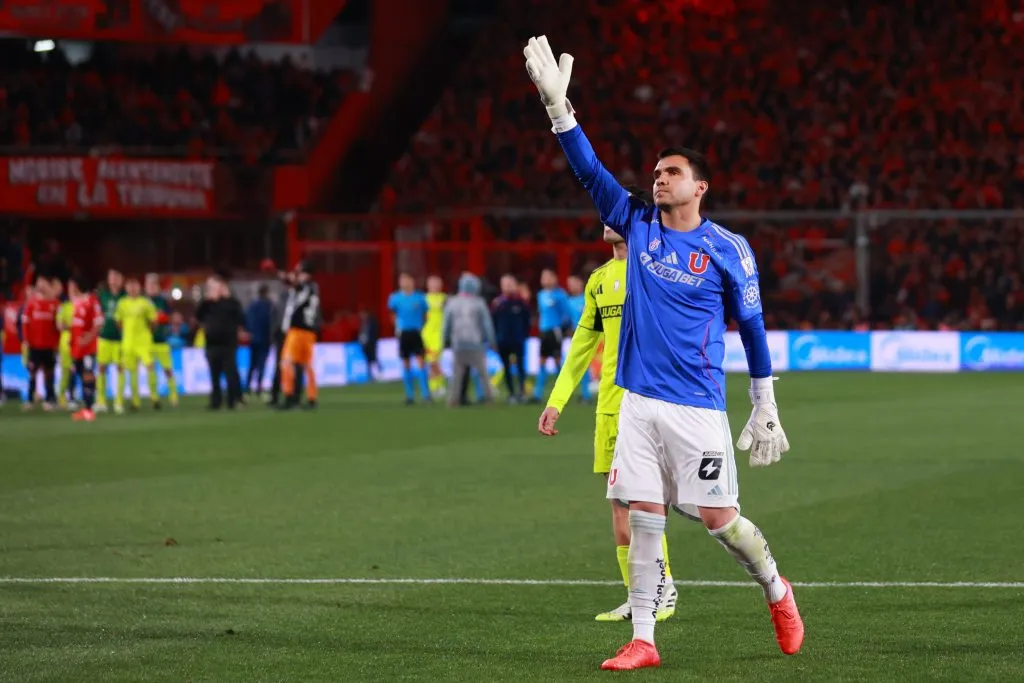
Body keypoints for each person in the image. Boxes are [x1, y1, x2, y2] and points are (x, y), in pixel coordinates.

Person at [524, 36, 802, 670]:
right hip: (637, 404)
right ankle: (644, 639)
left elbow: (754, 329)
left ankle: (777, 591)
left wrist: (765, 404)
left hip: (698, 407)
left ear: (700, 186)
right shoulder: (636, 223)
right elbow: (589, 172)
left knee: (719, 521)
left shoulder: (729, 249)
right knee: (644, 518)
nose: (658, 177)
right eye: (655, 171)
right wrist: (560, 114)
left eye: (670, 171)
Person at [538, 189, 678, 623]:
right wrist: (556, 401)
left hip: (651, 404)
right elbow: (582, 347)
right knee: (620, 507)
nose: (607, 216)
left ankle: (662, 590)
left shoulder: (656, 270)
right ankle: (644, 596)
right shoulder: (598, 281)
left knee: (647, 504)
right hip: (608, 408)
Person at [442, 273, 495, 407]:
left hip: (458, 343)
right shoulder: (479, 303)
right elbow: (487, 324)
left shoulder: (452, 302)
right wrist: (491, 340)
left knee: (456, 375)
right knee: (483, 373)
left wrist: (445, 340)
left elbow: (446, 324)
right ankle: (489, 398)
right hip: (475, 343)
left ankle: (453, 400)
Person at [196, 275, 245, 410]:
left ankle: (233, 400)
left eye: (214, 286)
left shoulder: (231, 303)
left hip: (228, 343)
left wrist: (226, 298)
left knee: (230, 372)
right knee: (214, 374)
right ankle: (215, 401)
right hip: (212, 343)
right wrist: (206, 301)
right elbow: (198, 316)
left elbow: (240, 317)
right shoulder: (207, 304)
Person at [278, 262, 320, 410]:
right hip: (309, 332)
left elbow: (295, 285)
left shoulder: (306, 287)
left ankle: (289, 396)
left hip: (297, 331)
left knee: (286, 363)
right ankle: (311, 398)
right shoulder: (314, 288)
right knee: (307, 366)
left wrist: (280, 274)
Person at [115, 277, 158, 411]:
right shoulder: (122, 303)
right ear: (126, 288)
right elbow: (119, 321)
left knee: (150, 366)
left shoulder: (146, 303)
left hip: (143, 342)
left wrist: (145, 333)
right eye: (130, 286)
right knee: (131, 371)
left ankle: (154, 397)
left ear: (139, 288)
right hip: (128, 342)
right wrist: (127, 333)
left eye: (135, 286)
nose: (132, 289)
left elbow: (154, 321)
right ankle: (135, 401)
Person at [387, 272, 431, 404]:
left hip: (416, 332)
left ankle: (426, 395)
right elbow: (392, 314)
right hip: (404, 333)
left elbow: (426, 315)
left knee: (421, 361)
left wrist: (420, 326)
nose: (404, 283)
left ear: (412, 281)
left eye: (406, 280)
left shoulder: (420, 297)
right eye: (401, 280)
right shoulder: (395, 298)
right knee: (406, 362)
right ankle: (409, 395)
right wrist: (397, 327)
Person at [530, 268, 570, 403]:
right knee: (541, 360)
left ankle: (563, 393)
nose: (545, 280)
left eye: (548, 277)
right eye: (543, 277)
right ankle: (537, 394)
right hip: (544, 332)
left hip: (555, 331)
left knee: (558, 361)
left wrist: (565, 328)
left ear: (554, 279)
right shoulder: (540, 294)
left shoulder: (560, 295)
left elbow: (566, 313)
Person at [67, 277, 104, 422]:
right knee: (80, 374)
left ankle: (89, 408)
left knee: (88, 374)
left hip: (88, 348)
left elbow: (99, 322)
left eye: (70, 286)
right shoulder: (77, 303)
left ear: (77, 286)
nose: (69, 288)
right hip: (77, 348)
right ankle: (85, 407)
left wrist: (88, 338)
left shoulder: (92, 301)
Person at [21, 277, 60, 410]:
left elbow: (57, 326)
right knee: (32, 372)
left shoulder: (55, 304)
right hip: (34, 345)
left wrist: (57, 343)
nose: (41, 286)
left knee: (49, 373)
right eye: (39, 284)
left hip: (49, 346)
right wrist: (26, 340)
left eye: (44, 283)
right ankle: (30, 400)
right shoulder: (31, 303)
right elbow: (25, 324)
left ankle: (50, 399)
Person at [491, 274, 530, 403]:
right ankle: (511, 393)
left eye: (510, 283)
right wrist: (495, 339)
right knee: (506, 367)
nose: (507, 286)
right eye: (505, 284)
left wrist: (524, 335)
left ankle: (522, 392)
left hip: (518, 339)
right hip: (503, 341)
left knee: (520, 366)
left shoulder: (521, 302)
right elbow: (493, 322)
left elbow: (527, 320)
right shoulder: (497, 303)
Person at [146, 274, 179, 408]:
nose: (152, 288)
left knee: (167, 369)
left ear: (158, 287)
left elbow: (168, 318)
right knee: (151, 369)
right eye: (150, 285)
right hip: (148, 342)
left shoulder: (163, 302)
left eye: (154, 285)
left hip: (162, 341)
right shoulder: (143, 302)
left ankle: (173, 394)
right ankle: (154, 395)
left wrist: (159, 319)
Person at [96, 269, 126, 413]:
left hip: (120, 339)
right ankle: (101, 401)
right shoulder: (103, 296)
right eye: (111, 277)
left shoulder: (125, 297)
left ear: (121, 280)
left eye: (117, 277)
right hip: (104, 337)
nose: (114, 279)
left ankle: (118, 401)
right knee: (101, 367)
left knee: (120, 369)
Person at [564, 273, 592, 402]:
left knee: (584, 365)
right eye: (569, 284)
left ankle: (586, 394)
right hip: (574, 337)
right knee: (572, 365)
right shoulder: (568, 301)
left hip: (589, 337)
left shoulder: (587, 299)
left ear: (581, 283)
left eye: (573, 283)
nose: (571, 286)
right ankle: (572, 393)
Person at [245, 284, 273, 397]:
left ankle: (247, 387)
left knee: (252, 364)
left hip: (254, 339)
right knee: (261, 364)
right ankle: (258, 386)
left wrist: (250, 333)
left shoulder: (253, 306)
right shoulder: (268, 306)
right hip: (264, 339)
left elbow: (248, 320)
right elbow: (271, 322)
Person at [423, 275, 448, 398]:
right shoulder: (424, 299)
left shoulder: (445, 298)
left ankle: (436, 386)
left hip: (440, 334)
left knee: (436, 361)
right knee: (432, 361)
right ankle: (437, 386)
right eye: (432, 283)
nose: (435, 286)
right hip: (427, 334)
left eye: (437, 283)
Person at [55, 281, 79, 409]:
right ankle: (62, 396)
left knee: (77, 370)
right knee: (67, 371)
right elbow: (60, 326)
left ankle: (73, 396)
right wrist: (74, 327)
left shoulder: (83, 305)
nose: (73, 292)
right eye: (71, 289)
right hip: (66, 343)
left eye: (75, 289)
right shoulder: (64, 307)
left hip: (79, 342)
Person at [358, 309, 380, 381]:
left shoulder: (371, 321)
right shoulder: (363, 323)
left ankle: (379, 373)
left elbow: (374, 332)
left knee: (374, 358)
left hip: (371, 344)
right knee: (368, 360)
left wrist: (371, 341)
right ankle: (370, 375)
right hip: (365, 345)